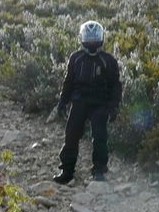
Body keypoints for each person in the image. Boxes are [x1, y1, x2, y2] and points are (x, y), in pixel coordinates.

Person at [52, 20, 122, 184]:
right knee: (71, 135)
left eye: (94, 39)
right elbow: (68, 82)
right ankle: (67, 171)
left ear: (101, 39)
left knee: (100, 136)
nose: (91, 43)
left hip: (100, 103)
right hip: (79, 101)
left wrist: (113, 106)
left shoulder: (108, 60)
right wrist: (63, 101)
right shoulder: (76, 58)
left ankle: (99, 170)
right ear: (82, 39)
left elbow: (115, 86)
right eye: (88, 39)